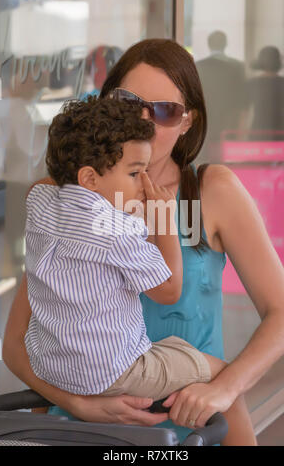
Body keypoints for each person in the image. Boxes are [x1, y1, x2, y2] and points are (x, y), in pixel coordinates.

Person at [3, 39, 284, 446]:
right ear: (106, 102)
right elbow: (18, 342)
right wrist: (79, 402)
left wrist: (224, 388)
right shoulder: (68, 198)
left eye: (165, 111)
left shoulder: (212, 190)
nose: (144, 120)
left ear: (187, 122)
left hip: (192, 426)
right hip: (79, 427)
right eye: (128, 102)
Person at [23, 96, 255, 445]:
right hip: (112, 372)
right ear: (89, 178)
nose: (143, 183)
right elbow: (169, 290)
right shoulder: (114, 229)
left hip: (53, 368)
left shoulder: (41, 202)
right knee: (224, 377)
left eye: (168, 110)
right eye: (134, 173)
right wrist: (163, 222)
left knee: (175, 347)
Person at [196, 31, 247, 161]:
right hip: (229, 122)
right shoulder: (237, 67)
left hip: (203, 121)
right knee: (225, 161)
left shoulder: (198, 66)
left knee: (203, 160)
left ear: (209, 44)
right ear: (226, 44)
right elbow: (241, 101)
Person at [245, 46, 284, 141]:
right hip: (281, 131)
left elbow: (245, 112)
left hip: (258, 130)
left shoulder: (251, 83)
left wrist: (241, 135)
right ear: (278, 61)